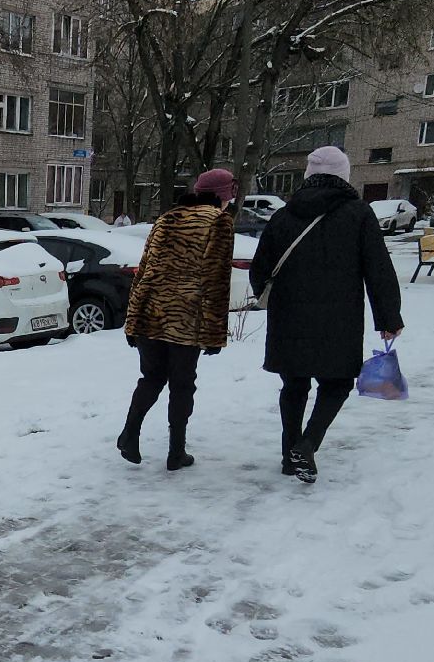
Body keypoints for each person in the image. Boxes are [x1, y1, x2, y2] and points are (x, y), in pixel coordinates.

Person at [248, 146, 404, 485]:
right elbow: (378, 268)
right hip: (340, 318)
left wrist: (269, 297)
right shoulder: (358, 214)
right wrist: (389, 317)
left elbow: (260, 267)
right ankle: (308, 443)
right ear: (344, 176)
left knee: (294, 383)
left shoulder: (284, 215)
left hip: (288, 316)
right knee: (336, 383)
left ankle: (290, 454)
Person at [117, 168, 237, 470]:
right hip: (187, 317)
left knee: (152, 378)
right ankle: (176, 452)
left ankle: (129, 434)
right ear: (223, 195)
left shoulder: (167, 218)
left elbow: (143, 271)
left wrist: (132, 320)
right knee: (182, 385)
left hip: (150, 314)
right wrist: (214, 333)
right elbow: (216, 281)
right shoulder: (219, 222)